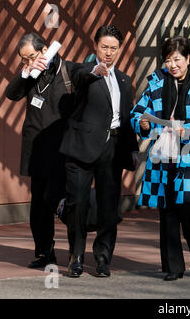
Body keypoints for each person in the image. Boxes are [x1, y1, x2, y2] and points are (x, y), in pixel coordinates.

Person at [131, 36, 190, 281]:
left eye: (178, 60)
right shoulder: (156, 82)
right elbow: (138, 111)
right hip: (165, 154)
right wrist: (141, 122)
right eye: (169, 60)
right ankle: (174, 267)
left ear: (188, 59)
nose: (173, 65)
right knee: (168, 209)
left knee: (189, 212)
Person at [59, 25, 139, 277]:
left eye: (113, 48)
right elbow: (80, 75)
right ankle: (77, 255)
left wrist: (132, 147)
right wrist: (94, 70)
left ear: (120, 49)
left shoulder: (125, 81)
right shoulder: (83, 70)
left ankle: (103, 257)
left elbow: (126, 117)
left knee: (108, 206)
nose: (108, 53)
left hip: (112, 149)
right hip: (82, 148)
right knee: (78, 203)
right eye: (104, 47)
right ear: (95, 46)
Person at [5, 33, 75, 269]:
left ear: (45, 49)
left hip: (62, 148)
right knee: (39, 206)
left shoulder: (66, 71)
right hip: (36, 149)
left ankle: (77, 249)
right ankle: (45, 252)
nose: (29, 61)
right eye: (24, 59)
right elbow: (11, 93)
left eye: (32, 56)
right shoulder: (31, 75)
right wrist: (26, 71)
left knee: (57, 199)